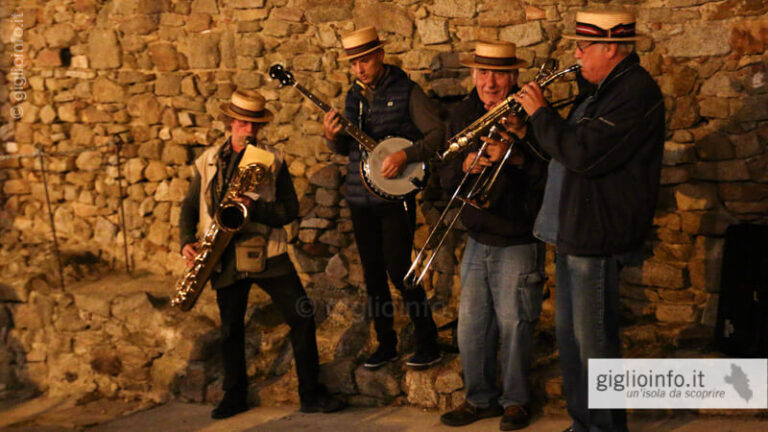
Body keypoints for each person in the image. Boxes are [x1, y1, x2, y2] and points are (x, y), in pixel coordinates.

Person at [513, 10, 665, 432]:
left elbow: (585, 155)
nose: (575, 55)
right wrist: (528, 132)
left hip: (597, 235)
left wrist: (541, 114)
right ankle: (583, 424)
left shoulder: (635, 91)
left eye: (582, 47)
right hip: (571, 232)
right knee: (571, 342)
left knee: (595, 346)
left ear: (612, 48)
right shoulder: (597, 91)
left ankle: (605, 428)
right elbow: (565, 153)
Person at [179, 89, 345, 419]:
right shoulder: (208, 160)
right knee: (230, 329)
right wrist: (186, 240)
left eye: (255, 124)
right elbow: (189, 206)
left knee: (302, 316)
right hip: (222, 254)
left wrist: (255, 209)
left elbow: (289, 210)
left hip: (268, 252)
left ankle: (310, 393)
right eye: (243, 122)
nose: (249, 130)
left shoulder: (272, 160)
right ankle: (234, 395)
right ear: (230, 122)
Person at [438, 42, 547, 431]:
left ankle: (516, 402)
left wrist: (515, 156)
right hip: (477, 236)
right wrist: (467, 164)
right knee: (471, 326)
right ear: (473, 76)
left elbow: (551, 175)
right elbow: (444, 175)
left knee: (516, 323)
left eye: (499, 73)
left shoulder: (532, 116)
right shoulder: (463, 115)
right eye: (483, 72)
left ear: (514, 77)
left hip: (518, 237)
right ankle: (479, 399)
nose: (490, 81)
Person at [322, 26, 445, 370]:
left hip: (395, 199)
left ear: (379, 55)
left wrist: (406, 156)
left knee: (399, 270)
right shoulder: (353, 97)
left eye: (364, 60)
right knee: (373, 274)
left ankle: (427, 341)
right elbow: (347, 146)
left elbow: (437, 133)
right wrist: (331, 137)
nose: (359, 69)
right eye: (353, 63)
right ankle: (386, 343)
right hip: (360, 198)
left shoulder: (408, 91)